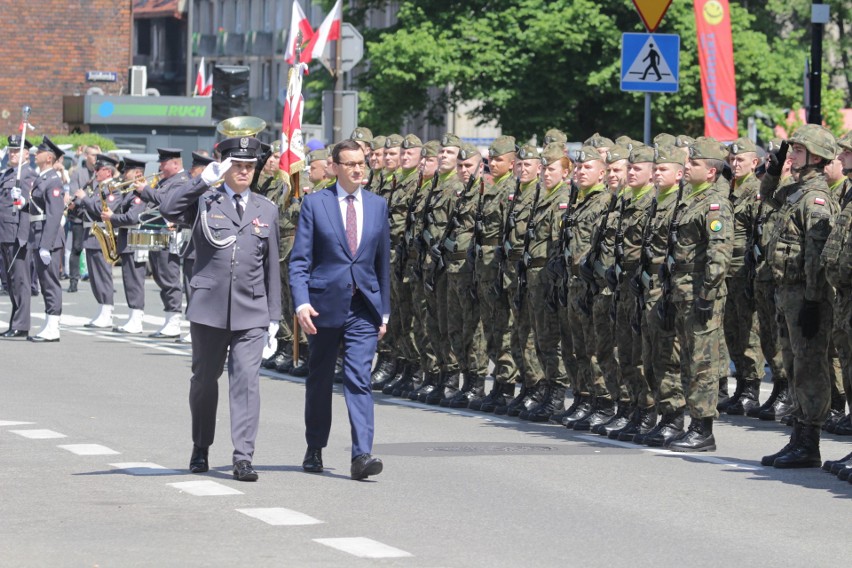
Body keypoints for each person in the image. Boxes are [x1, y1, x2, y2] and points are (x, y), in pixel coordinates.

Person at [158, 136, 281, 482]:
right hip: (209, 308)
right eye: (236, 166)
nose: (244, 172)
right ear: (224, 167)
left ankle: (243, 456)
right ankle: (201, 445)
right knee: (204, 381)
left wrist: (274, 317)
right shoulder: (204, 201)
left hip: (251, 310)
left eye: (249, 166)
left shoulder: (266, 208)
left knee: (246, 383)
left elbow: (272, 267)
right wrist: (202, 181)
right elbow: (167, 208)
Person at [289, 139, 391, 481]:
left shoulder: (377, 205)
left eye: (361, 162)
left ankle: (362, 454)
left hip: (363, 306)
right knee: (319, 379)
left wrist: (384, 311)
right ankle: (315, 446)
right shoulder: (316, 204)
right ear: (334, 167)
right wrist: (302, 302)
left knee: (359, 377)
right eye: (349, 163)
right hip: (323, 305)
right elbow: (300, 260)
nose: (358, 168)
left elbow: (381, 265)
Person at [760, 125, 839, 468]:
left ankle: (810, 441)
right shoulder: (795, 192)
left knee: (809, 366)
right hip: (786, 292)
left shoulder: (816, 199)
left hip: (805, 296)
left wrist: (811, 300)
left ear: (816, 157)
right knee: (792, 364)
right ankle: (798, 434)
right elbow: (768, 198)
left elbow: (815, 255)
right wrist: (774, 170)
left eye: (797, 151)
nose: (791, 155)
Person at [135, 148, 187, 338]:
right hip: (158, 232)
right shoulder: (166, 181)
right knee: (159, 275)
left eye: (164, 163)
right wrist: (139, 190)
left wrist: (146, 190)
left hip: (171, 233)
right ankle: (168, 318)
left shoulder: (181, 181)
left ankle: (174, 320)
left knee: (169, 277)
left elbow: (167, 202)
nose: (160, 167)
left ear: (175, 164)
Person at [71, 154, 121, 328]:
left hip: (104, 236)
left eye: (98, 169)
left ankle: (108, 311)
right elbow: (87, 210)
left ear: (107, 171)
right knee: (94, 276)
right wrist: (75, 205)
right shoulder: (97, 188)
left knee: (102, 275)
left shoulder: (113, 188)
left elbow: (102, 210)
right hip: (92, 235)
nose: (95, 172)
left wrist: (84, 198)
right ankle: (102, 308)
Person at [27, 137, 66, 342]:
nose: (35, 154)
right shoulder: (42, 178)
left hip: (47, 238)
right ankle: (49, 322)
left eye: (39, 152)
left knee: (50, 282)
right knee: (44, 282)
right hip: (38, 234)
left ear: (49, 157)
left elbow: (54, 214)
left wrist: (45, 245)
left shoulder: (53, 181)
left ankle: (53, 326)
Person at [104, 158, 149, 334]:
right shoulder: (129, 191)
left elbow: (133, 217)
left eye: (127, 172)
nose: (123, 175)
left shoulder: (140, 193)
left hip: (135, 240)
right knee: (129, 279)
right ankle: (133, 315)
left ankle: (137, 318)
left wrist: (112, 218)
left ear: (137, 173)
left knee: (134, 281)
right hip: (128, 240)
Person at [0, 135, 36, 337]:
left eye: (16, 151)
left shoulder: (28, 175)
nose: (12, 154)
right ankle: (15, 321)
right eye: (10, 150)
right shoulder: (6, 174)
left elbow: (33, 205)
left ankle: (21, 325)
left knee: (20, 281)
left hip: (17, 235)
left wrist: (23, 237)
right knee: (10, 282)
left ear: (26, 155)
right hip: (4, 234)